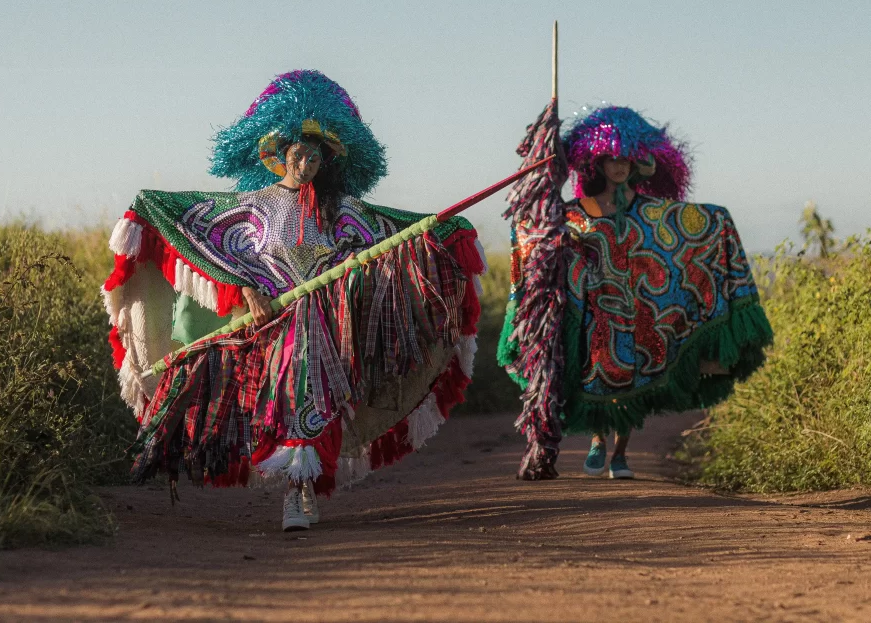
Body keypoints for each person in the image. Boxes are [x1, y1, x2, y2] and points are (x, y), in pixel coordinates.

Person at [103, 70, 485, 530]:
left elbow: (400, 230)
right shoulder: (253, 207)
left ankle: (300, 494)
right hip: (269, 329)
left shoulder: (343, 213)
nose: (306, 164)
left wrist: (446, 227)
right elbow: (194, 230)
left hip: (327, 329)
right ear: (280, 156)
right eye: (299, 155)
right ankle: (293, 489)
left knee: (313, 398)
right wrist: (246, 290)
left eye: (315, 158)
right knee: (279, 402)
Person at [499, 105, 773, 480]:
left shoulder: (649, 210)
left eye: (626, 160)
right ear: (597, 163)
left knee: (636, 376)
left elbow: (685, 227)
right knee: (597, 376)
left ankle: (622, 455)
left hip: (639, 310)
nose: (619, 167)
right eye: (612, 159)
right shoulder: (577, 211)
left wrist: (718, 220)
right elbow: (543, 231)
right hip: (597, 313)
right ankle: (598, 442)